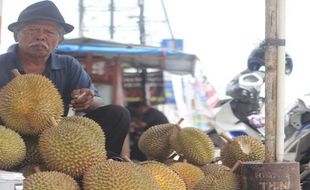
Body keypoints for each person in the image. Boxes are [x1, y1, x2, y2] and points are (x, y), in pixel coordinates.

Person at [0, 1, 130, 157]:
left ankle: (103, 166)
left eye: (49, 32)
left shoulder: (68, 65)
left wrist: (87, 99)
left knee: (117, 114)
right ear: (16, 35)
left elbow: (98, 102)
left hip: (56, 138)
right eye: (32, 30)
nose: (40, 36)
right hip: (7, 137)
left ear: (59, 41)